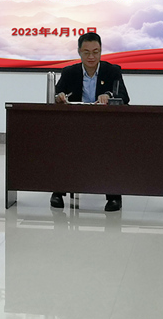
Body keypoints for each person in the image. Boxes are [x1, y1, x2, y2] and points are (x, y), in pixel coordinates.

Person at [51, 31, 129, 211]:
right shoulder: (70, 72)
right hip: (75, 123)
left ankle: (113, 196)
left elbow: (124, 96)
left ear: (101, 51)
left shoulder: (112, 71)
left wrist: (109, 95)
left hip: (104, 125)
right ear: (79, 52)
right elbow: (55, 94)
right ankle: (58, 192)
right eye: (86, 52)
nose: (91, 57)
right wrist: (59, 97)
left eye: (96, 52)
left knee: (111, 150)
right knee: (61, 146)